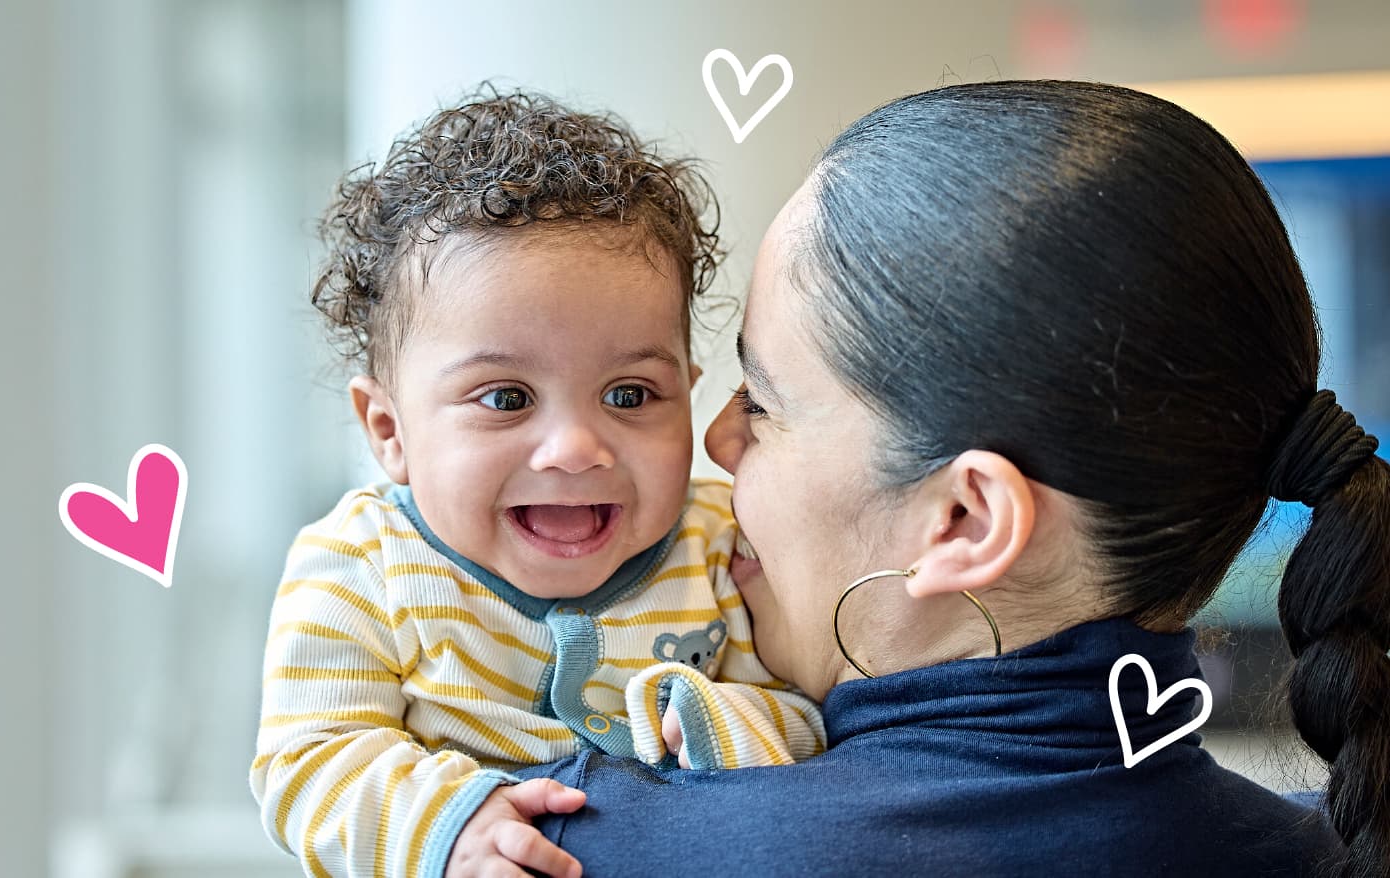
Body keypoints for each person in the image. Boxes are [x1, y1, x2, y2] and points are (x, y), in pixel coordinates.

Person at [511, 79, 1386, 877]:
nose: (719, 437)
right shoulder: (1334, 851)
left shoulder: (556, 844)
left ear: (964, 518)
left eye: (767, 406)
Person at [249, 88, 825, 878]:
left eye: (628, 395)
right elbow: (308, 761)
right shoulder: (361, 564)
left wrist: (720, 722)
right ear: (389, 430)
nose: (575, 448)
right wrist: (448, 825)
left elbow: (815, 718)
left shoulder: (724, 545)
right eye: (506, 399)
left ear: (686, 393)